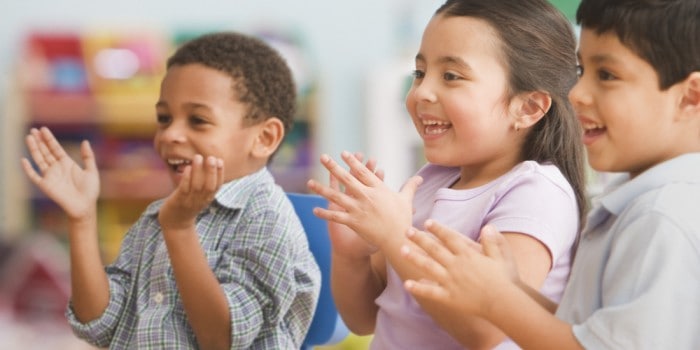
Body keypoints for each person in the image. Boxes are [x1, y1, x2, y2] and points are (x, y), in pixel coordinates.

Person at [401, 0, 700, 348]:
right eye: (581, 71)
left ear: (690, 97)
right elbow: (587, 332)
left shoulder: (662, 216)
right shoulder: (643, 204)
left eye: (607, 75)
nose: (577, 94)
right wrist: (509, 290)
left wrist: (497, 301)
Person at [306, 0, 586, 348]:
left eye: (451, 76)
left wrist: (394, 237)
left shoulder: (535, 193)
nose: (421, 92)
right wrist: (352, 255)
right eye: (420, 73)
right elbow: (363, 319)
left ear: (527, 107)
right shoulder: (432, 179)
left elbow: (486, 329)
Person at [21, 31, 321, 349]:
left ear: (264, 138)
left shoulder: (266, 217)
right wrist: (82, 219)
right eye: (164, 118)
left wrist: (179, 229)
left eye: (198, 120)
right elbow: (100, 325)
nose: (170, 135)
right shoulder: (156, 217)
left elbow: (223, 339)